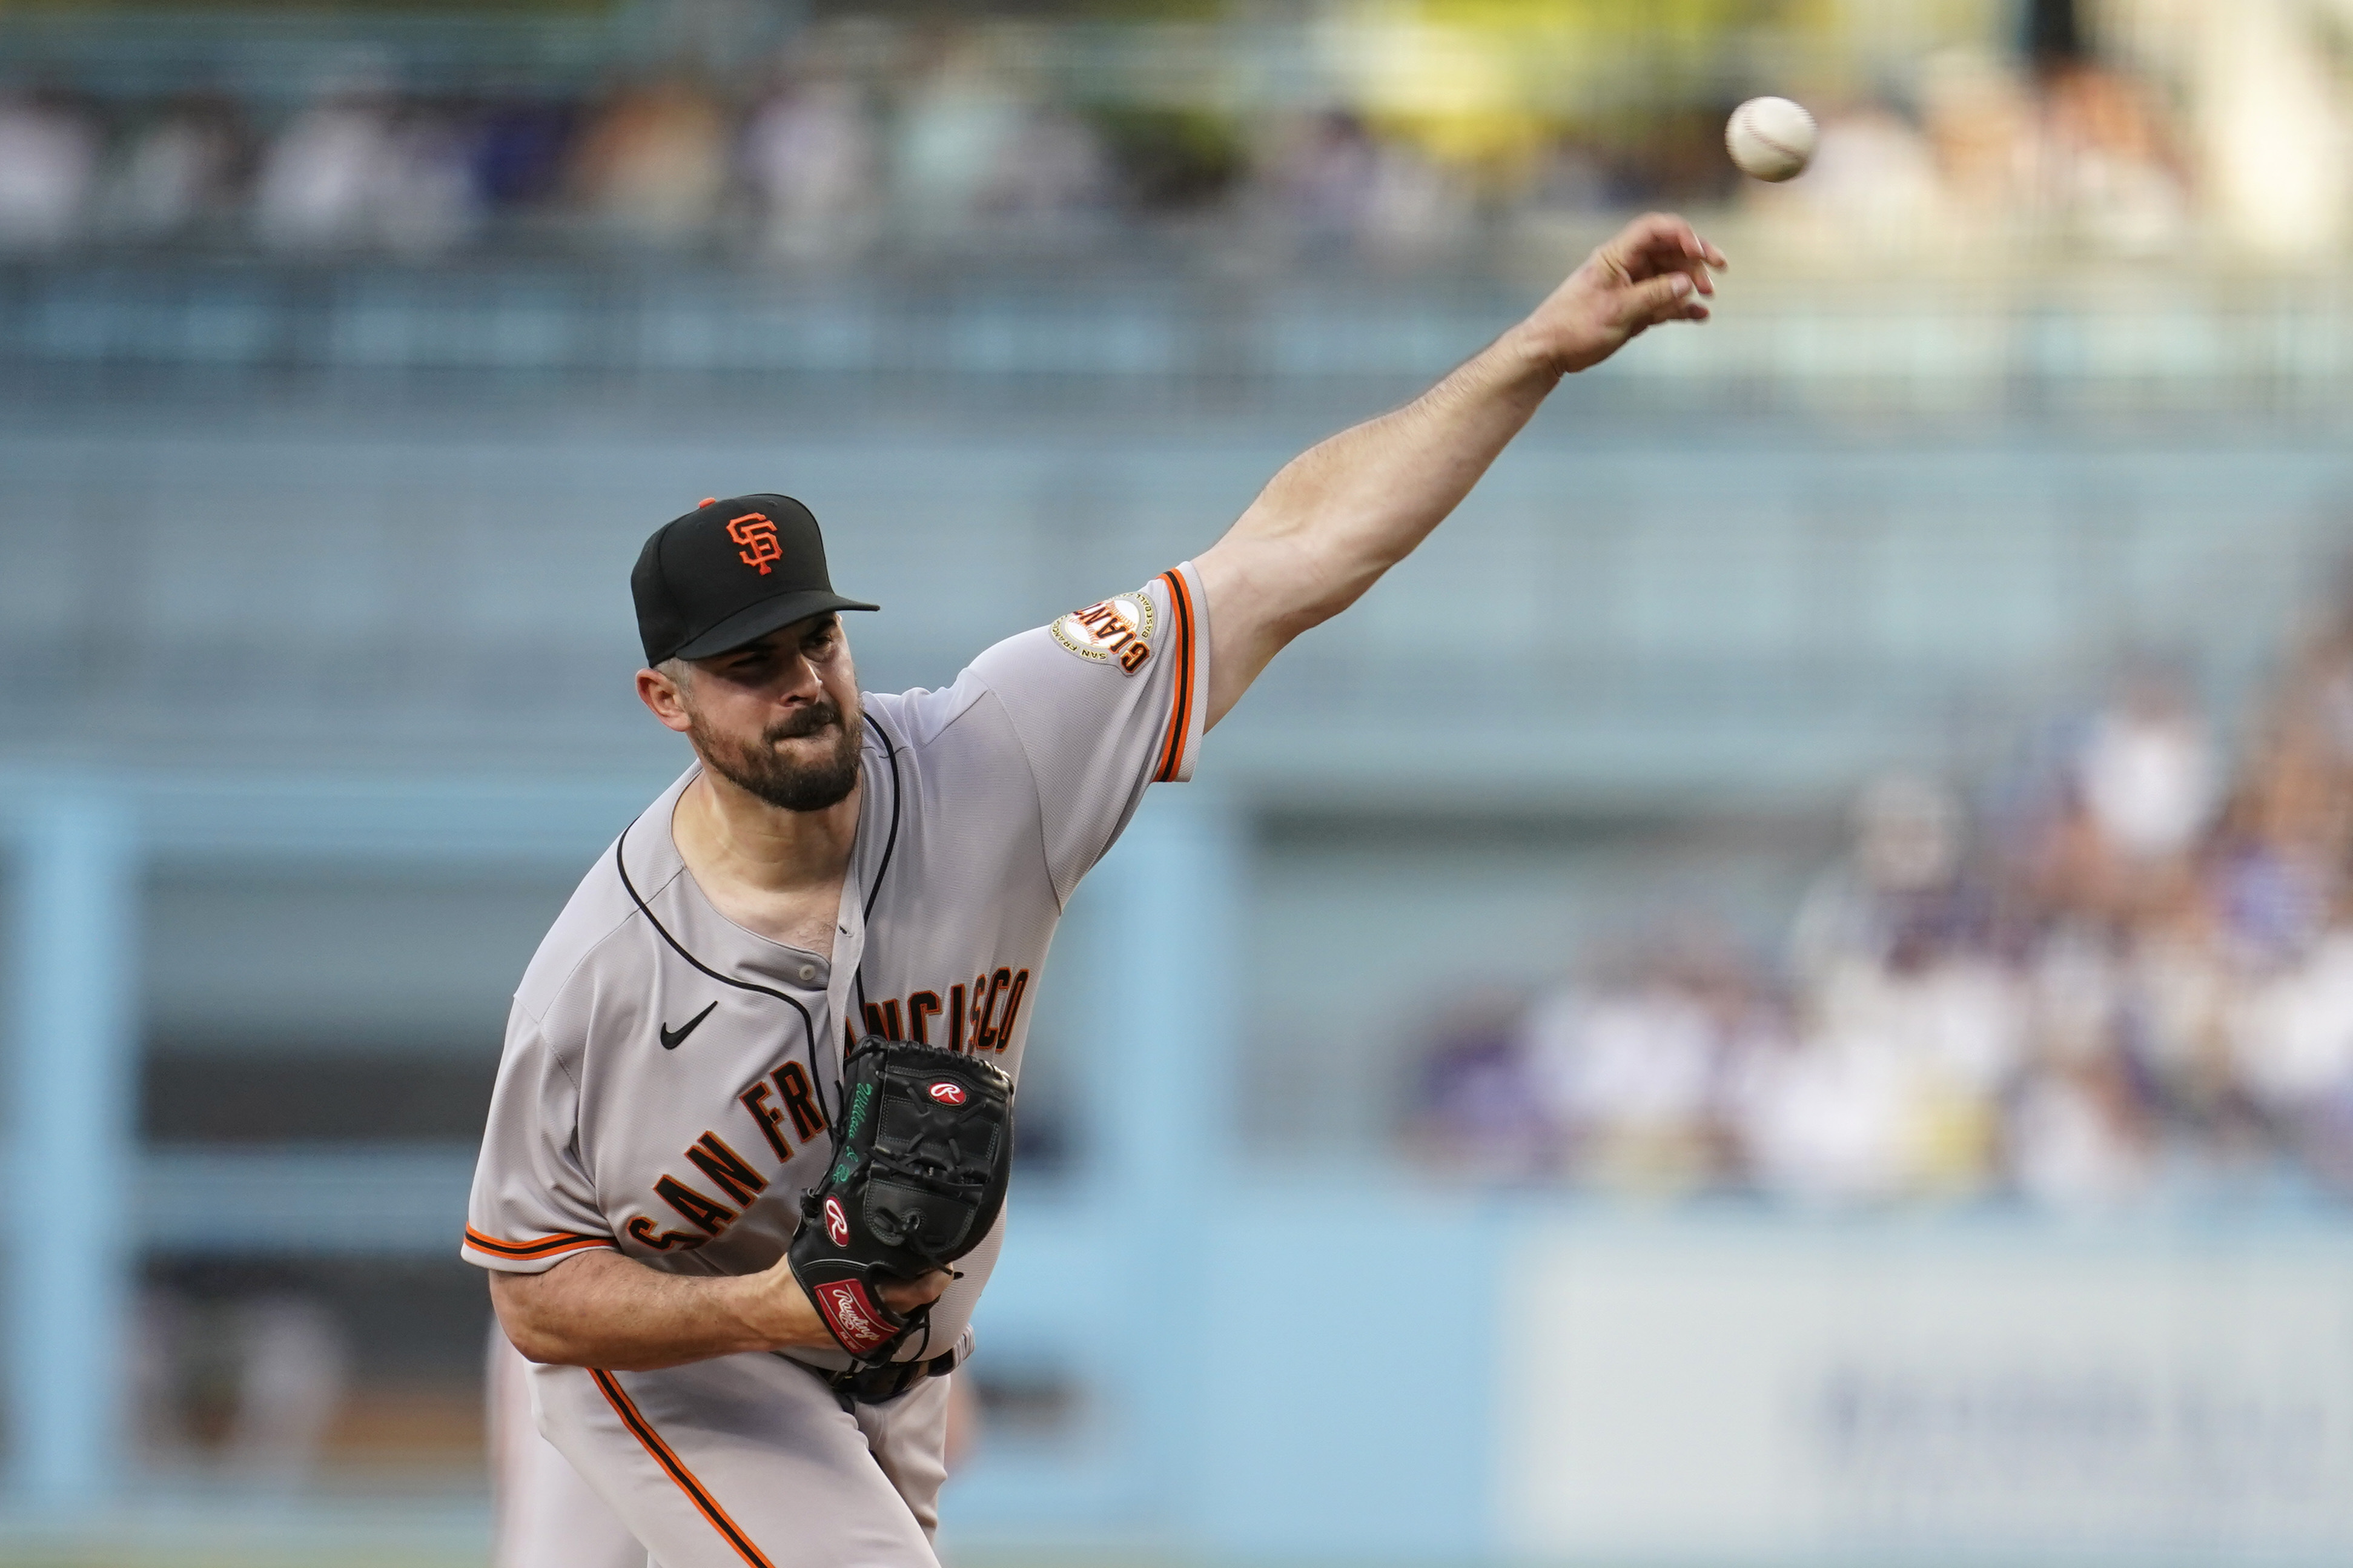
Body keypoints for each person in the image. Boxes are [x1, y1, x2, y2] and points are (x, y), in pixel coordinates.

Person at [462, 213, 1724, 1567]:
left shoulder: (997, 748)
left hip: (889, 1381)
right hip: (679, 1362)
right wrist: (777, 1303)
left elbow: (1287, 556)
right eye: (748, 662)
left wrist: (1532, 350)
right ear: (665, 698)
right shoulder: (599, 973)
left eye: (814, 637)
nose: (801, 684)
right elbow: (538, 1297)